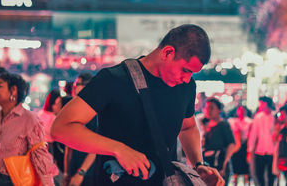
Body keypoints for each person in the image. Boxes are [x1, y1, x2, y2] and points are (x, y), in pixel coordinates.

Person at [51, 24, 224, 186]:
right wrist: (118, 149)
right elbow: (61, 128)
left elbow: (187, 127)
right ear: (168, 52)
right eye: (185, 70)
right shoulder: (114, 79)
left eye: (192, 73)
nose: (186, 78)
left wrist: (198, 164)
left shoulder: (186, 86)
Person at [0, 72, 58, 186]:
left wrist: (48, 184)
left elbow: (40, 156)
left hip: (14, 181)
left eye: (0, 86)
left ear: (13, 90)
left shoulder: (28, 119)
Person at [63, 72, 97, 186]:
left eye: (77, 84)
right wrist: (66, 173)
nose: (73, 87)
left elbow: (96, 147)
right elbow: (68, 146)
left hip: (87, 173)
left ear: (86, 87)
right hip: (73, 170)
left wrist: (81, 173)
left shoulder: (93, 112)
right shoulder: (72, 110)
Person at [201, 98, 236, 185]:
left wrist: (225, 163)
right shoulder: (205, 125)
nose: (208, 110)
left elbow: (231, 144)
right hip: (208, 164)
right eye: (207, 108)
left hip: (220, 164)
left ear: (219, 110)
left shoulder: (223, 125)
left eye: (212, 108)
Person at [247, 96, 276, 186]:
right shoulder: (258, 117)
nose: (260, 106)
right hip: (260, 150)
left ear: (266, 104)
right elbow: (253, 134)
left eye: (262, 104)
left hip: (272, 150)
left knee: (271, 175)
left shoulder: (274, 117)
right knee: (259, 173)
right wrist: (250, 150)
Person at [228, 105, 252, 186]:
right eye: (239, 110)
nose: (241, 112)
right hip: (236, 146)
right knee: (235, 167)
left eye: (243, 110)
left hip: (245, 146)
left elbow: (251, 136)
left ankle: (246, 183)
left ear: (245, 111)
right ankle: (235, 183)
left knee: (245, 168)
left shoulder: (250, 122)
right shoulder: (234, 121)